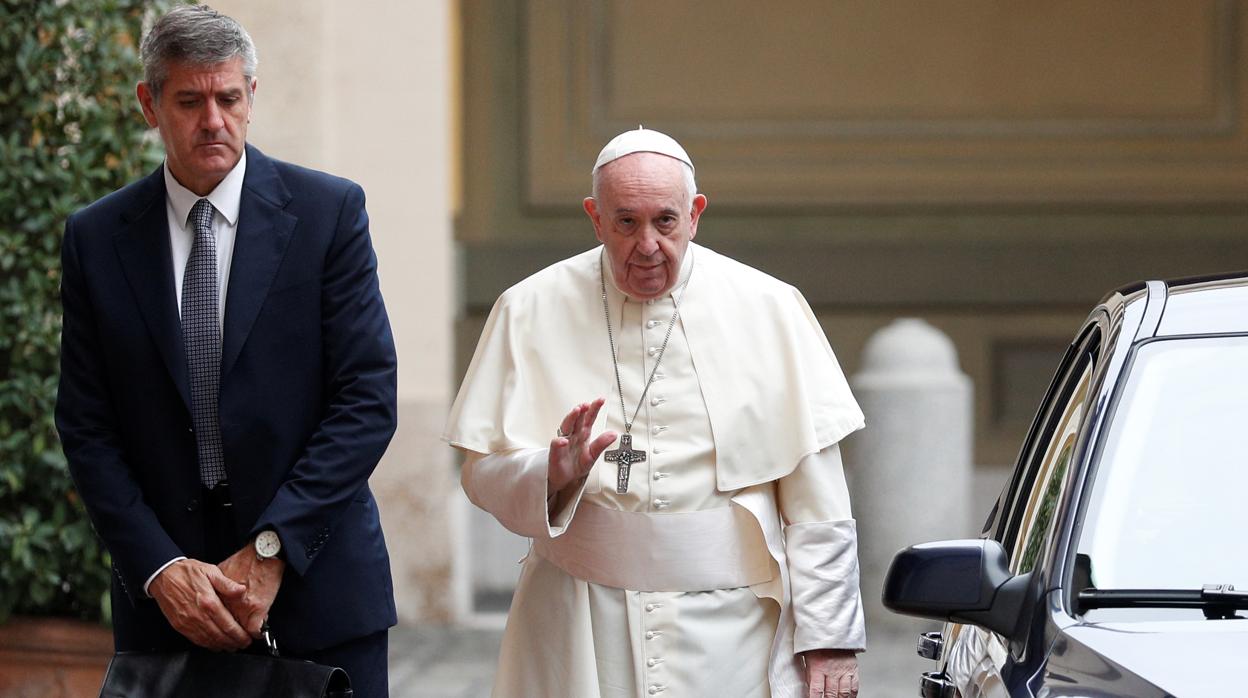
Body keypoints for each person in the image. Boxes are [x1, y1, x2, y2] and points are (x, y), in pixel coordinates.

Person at [445, 127, 867, 698]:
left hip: (733, 631)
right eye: (625, 222)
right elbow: (479, 471)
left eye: (664, 221)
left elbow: (819, 502)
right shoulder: (528, 308)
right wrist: (552, 475)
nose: (647, 244)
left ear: (695, 214)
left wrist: (830, 639)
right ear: (596, 218)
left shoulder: (769, 308)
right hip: (579, 621)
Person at [55, 5, 397, 695]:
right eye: (189, 101)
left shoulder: (328, 215)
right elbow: (87, 427)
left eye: (228, 98)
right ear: (150, 105)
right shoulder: (97, 238)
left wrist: (272, 550)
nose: (213, 120)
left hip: (319, 593)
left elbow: (366, 399)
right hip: (168, 618)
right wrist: (158, 569)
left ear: (251, 97)